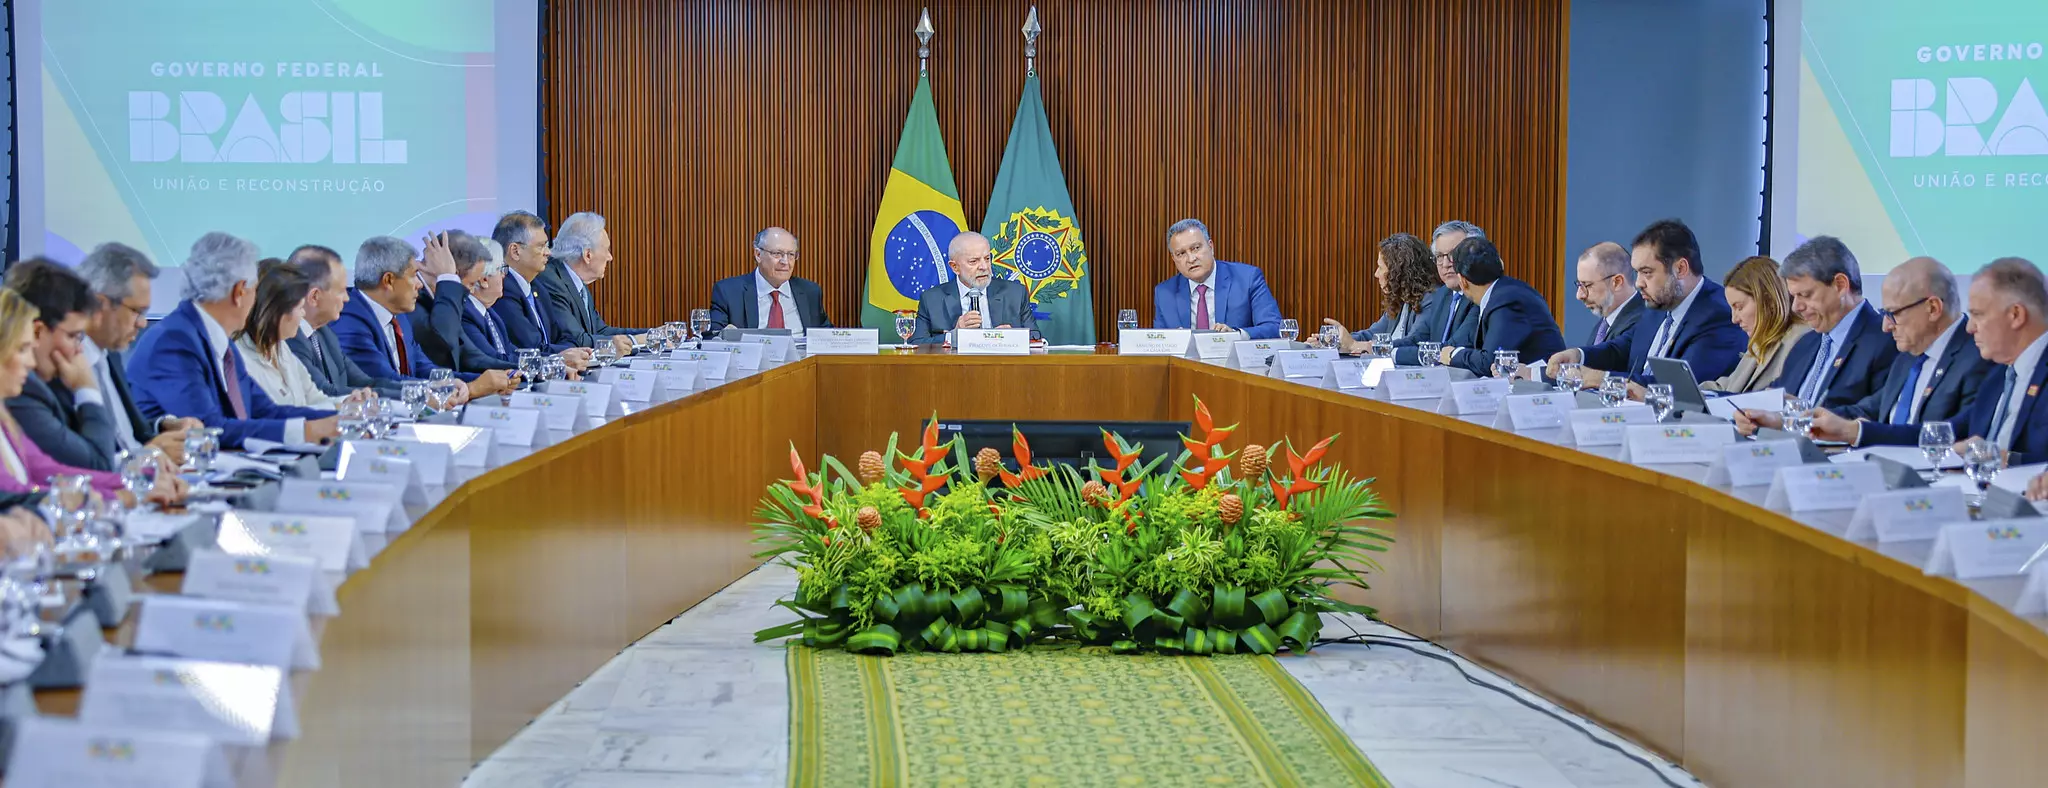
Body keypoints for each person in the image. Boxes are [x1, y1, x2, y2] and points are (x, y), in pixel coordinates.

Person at [126, 232, 341, 449]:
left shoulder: (219, 341)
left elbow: (266, 411)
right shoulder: (174, 342)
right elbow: (208, 429)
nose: (257, 301)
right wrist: (307, 431)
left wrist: (342, 421)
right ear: (239, 292)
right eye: (255, 291)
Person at [0, 288, 182, 507]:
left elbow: (48, 470)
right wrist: (119, 496)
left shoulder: (5, 419)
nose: (30, 362)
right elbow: (14, 496)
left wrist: (140, 481)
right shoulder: (27, 396)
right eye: (22, 349)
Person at [1801, 257, 1988, 447]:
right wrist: (1804, 418)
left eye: (1893, 314)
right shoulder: (1908, 356)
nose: (1886, 326)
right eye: (1884, 314)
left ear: (1932, 308)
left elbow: (1954, 435)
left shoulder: (1978, 358)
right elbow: (1871, 409)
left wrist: (1856, 432)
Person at [1546, 218, 1747, 387]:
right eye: (1637, 272)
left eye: (1647, 272)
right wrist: (1579, 356)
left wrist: (1603, 379)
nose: (1639, 283)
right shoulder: (1659, 304)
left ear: (1680, 269)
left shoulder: (1719, 316)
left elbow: (1679, 390)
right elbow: (1623, 347)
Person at [330, 236, 513, 400]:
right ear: (389, 280)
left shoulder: (399, 317)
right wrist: (473, 388)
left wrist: (484, 381)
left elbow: (424, 369)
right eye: (412, 276)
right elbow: (385, 382)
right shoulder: (350, 321)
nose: (419, 284)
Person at [74, 243, 198, 464]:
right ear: (100, 304)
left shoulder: (109, 354)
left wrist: (164, 425)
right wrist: (146, 458)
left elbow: (125, 430)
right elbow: (77, 460)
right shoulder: (63, 365)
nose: (142, 323)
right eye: (137, 312)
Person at [3, 260, 123, 471]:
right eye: (73, 336)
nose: (79, 350)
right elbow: (97, 465)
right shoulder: (21, 391)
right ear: (37, 332)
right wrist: (87, 389)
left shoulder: (53, 381)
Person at [1768, 236, 1898, 409]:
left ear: (1840, 285)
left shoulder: (1886, 341)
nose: (1796, 307)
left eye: (1805, 295)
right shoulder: (1805, 344)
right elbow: (1775, 396)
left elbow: (1875, 416)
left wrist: (1806, 417)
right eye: (1794, 296)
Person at [235, 260, 360, 409]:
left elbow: (316, 399)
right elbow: (274, 418)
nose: (303, 314)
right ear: (277, 312)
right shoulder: (239, 358)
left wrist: (351, 403)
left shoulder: (281, 348)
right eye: (300, 307)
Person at [1957, 258, 2048, 463]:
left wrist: (2006, 459)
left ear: (2016, 315)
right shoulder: (1999, 374)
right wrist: (1951, 452)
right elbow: (1954, 429)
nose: (1969, 328)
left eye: (1978, 315)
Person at [284, 245, 403, 399]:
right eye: (341, 291)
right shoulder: (289, 339)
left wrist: (420, 391)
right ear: (314, 297)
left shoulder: (325, 333)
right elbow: (326, 393)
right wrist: (413, 397)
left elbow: (366, 383)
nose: (347, 298)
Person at [1435, 237, 1566, 375]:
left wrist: (1453, 354)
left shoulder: (1507, 301)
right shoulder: (1505, 291)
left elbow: (1490, 362)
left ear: (1462, 281)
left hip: (1544, 388)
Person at [1150, 218, 1282, 339]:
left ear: (1211, 247)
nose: (1191, 259)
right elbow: (1159, 343)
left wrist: (1236, 335)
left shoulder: (1247, 279)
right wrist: (1172, 341)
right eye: (1181, 254)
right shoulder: (1164, 293)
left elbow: (1273, 327)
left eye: (1196, 248)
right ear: (1174, 259)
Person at [1701, 256, 1811, 393]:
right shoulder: (1761, 339)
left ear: (1768, 299)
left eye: (1739, 307)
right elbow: (1729, 386)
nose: (1734, 319)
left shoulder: (1803, 340)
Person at [536, 211, 641, 356]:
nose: (610, 257)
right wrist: (633, 341)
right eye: (606, 249)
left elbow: (599, 330)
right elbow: (576, 339)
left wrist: (650, 334)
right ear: (587, 255)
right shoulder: (551, 280)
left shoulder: (576, 281)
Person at [910, 232, 1039, 344]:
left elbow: (1037, 339)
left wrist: (1013, 337)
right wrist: (954, 336)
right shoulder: (932, 299)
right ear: (955, 267)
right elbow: (916, 344)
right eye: (974, 261)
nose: (984, 266)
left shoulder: (1015, 293)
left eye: (987, 259)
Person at [1316, 233, 1434, 355]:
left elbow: (1413, 342)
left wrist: (1355, 345)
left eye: (1380, 267)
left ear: (1399, 272)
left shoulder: (1430, 300)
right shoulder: (1401, 299)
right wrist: (1335, 340)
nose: (1376, 274)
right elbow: (1372, 334)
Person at [1387, 220, 1486, 365]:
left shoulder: (1480, 296)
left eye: (1454, 254)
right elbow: (1418, 339)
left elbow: (1450, 350)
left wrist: (1392, 354)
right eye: (1440, 256)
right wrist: (1378, 348)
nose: (1446, 264)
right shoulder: (1442, 294)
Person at [489, 211, 581, 356]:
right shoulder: (502, 290)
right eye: (541, 246)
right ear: (515, 251)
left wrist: (571, 351)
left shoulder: (538, 287)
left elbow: (565, 336)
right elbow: (531, 347)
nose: (548, 252)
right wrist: (565, 354)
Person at [709, 227, 832, 332]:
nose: (785, 262)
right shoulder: (728, 292)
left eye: (791, 255)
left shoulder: (810, 291)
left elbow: (825, 336)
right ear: (758, 255)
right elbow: (715, 337)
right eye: (777, 253)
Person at [1573, 242, 1644, 346]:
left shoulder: (1642, 324)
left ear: (1617, 282)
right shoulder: (1605, 323)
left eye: (1587, 285)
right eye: (1579, 284)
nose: (1579, 295)